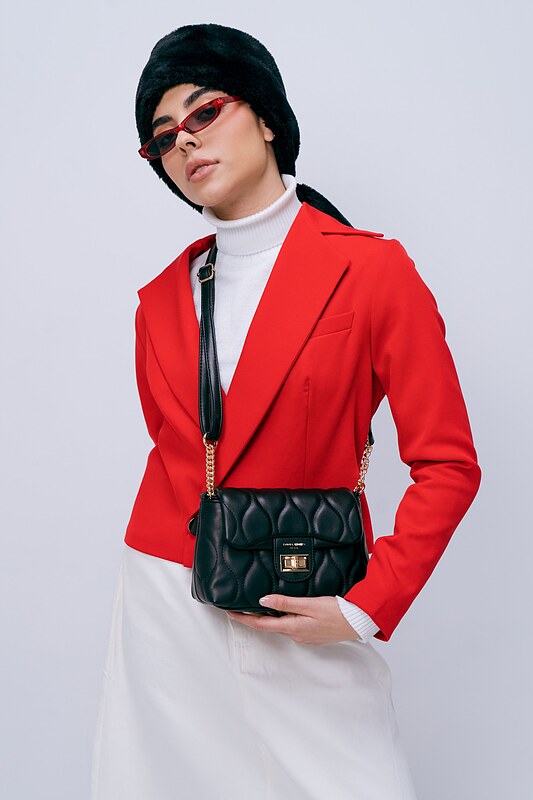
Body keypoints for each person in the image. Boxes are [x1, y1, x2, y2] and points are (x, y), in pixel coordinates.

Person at [90, 23, 482, 800]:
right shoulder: (159, 301)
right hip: (167, 606)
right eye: (163, 137)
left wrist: (365, 608)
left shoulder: (371, 270)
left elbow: (447, 463)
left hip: (304, 597)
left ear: (266, 117)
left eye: (204, 112)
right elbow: (182, 456)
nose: (184, 141)